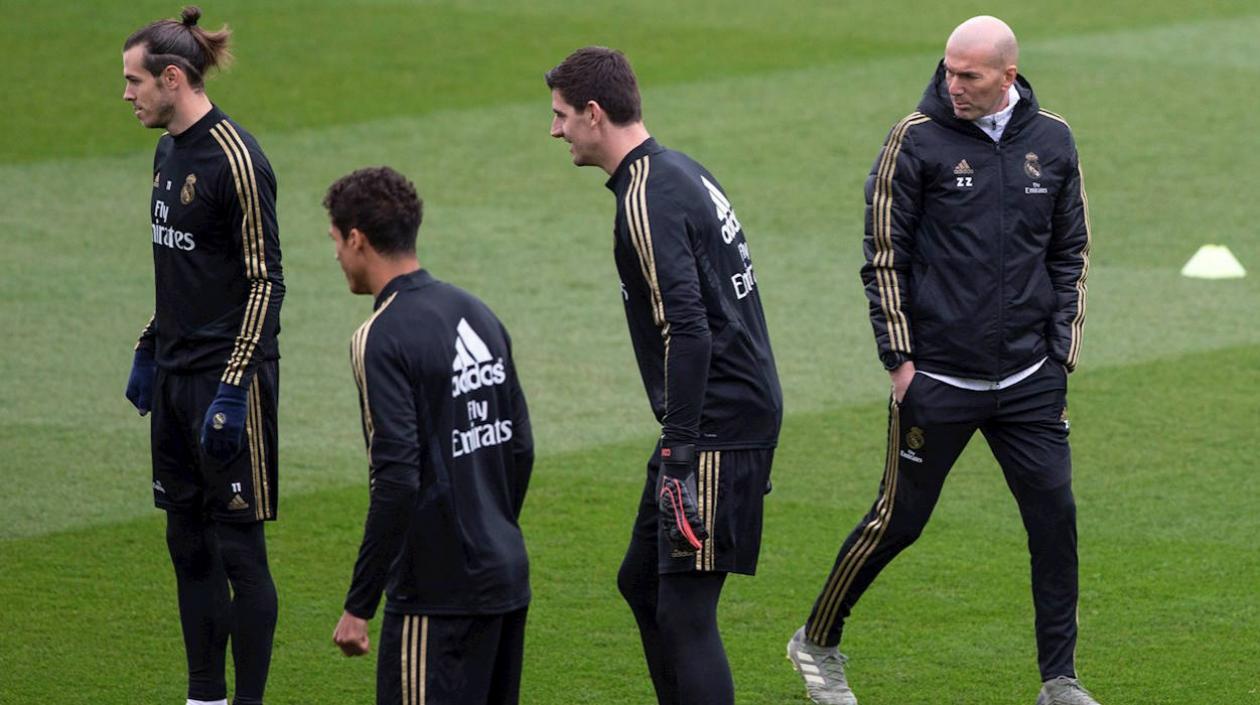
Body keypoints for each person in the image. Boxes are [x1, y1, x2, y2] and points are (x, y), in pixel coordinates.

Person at [785, 15, 1096, 705]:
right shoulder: (914, 139)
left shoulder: (1054, 139)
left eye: (969, 76)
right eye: (948, 71)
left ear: (1007, 77)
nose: (952, 85)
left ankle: (1059, 680)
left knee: (1056, 522)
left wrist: (1060, 353)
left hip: (1027, 382)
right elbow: (883, 254)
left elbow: (1071, 250)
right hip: (939, 379)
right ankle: (817, 639)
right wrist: (900, 361)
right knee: (897, 522)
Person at [545, 47, 783, 705]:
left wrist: (680, 454)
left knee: (685, 612)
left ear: (595, 113)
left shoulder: (647, 196)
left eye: (562, 116)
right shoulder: (677, 170)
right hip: (721, 415)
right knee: (641, 582)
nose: (556, 130)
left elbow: (690, 328)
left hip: (713, 423)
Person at [325, 167, 534, 705]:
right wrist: (489, 524)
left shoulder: (380, 336)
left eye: (334, 241)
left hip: (438, 596)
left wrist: (359, 604)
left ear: (357, 238)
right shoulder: (476, 312)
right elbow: (519, 447)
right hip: (505, 575)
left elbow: (396, 476)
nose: (336, 257)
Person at [122, 7, 283, 705]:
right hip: (177, 380)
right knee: (186, 542)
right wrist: (151, 344)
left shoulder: (239, 161)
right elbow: (185, 271)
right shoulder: (167, 153)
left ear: (174, 77)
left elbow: (264, 279)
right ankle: (204, 697)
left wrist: (232, 385)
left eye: (135, 82)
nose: (127, 95)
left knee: (240, 551)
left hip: (229, 385)